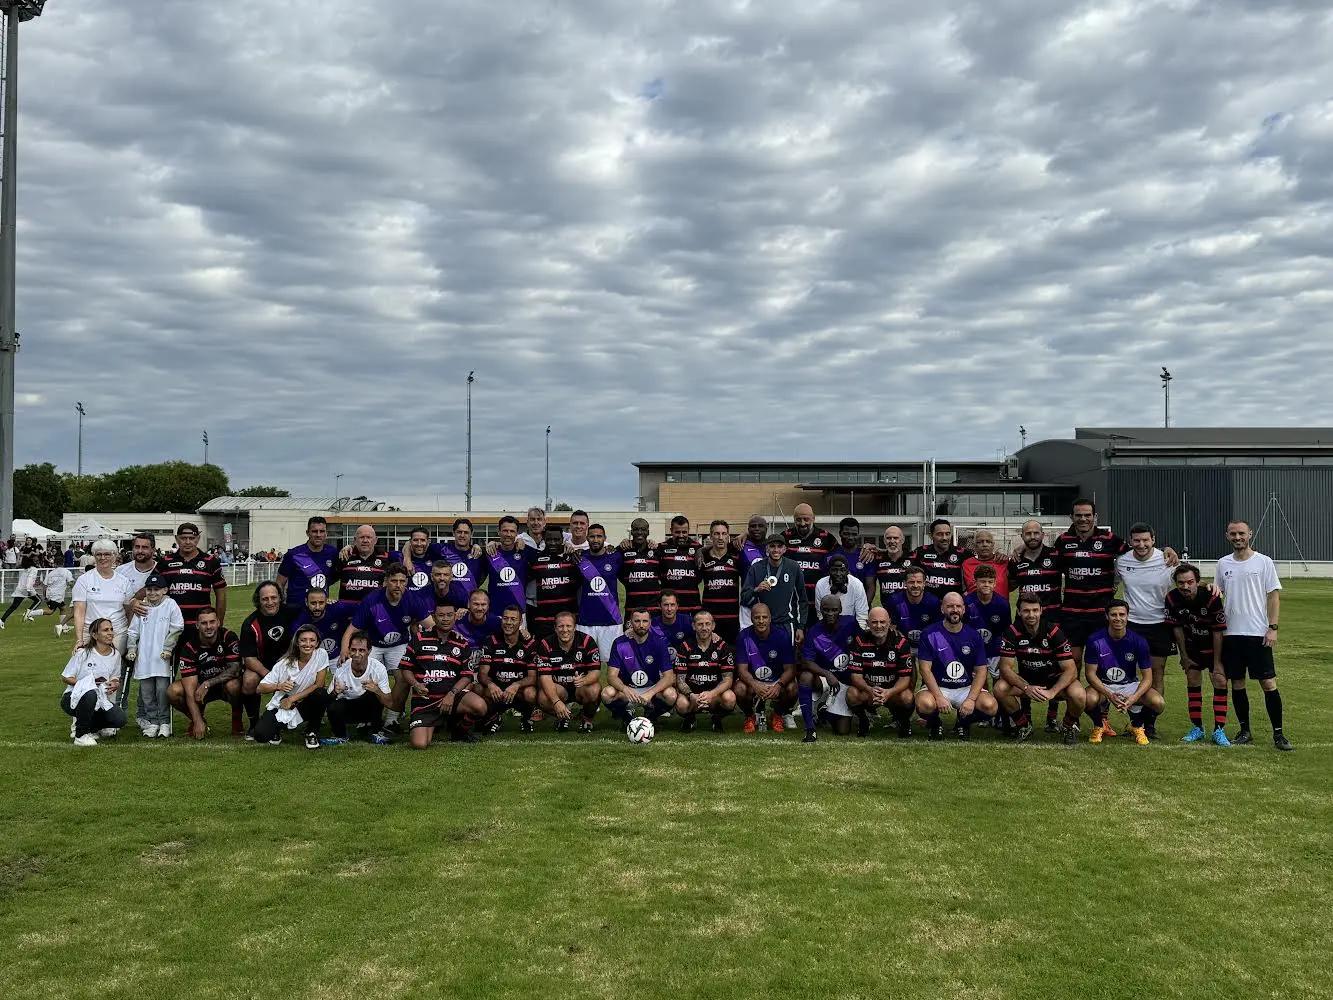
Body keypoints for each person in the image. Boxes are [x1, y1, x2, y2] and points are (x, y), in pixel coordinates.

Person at [1214, 520, 1290, 751]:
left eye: (1242, 533)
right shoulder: (1222, 563)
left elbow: (1273, 596)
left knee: (1268, 683)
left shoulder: (1263, 562)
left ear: (1250, 534)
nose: (1238, 537)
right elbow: (1218, 593)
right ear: (1227, 535)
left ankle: (1279, 734)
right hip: (1231, 634)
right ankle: (1244, 730)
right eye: (1233, 534)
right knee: (1237, 683)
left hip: (1258, 633)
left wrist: (1272, 627)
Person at [994, 592, 1086, 745]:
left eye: (1035, 610)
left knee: (1079, 695)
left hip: (1054, 680)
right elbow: (1005, 668)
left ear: (1041, 610)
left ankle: (1068, 726)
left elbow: (1071, 670)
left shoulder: (1053, 631)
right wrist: (1026, 687)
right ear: (1018, 612)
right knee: (999, 688)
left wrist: (1053, 692)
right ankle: (1024, 725)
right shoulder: (1012, 631)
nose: (1031, 615)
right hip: (1027, 681)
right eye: (1026, 611)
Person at [1115, 522, 1175, 737]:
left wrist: (1210, 586)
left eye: (1145, 540)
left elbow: (1188, 581)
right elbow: (1112, 585)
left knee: (1156, 674)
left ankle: (1149, 725)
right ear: (1130, 541)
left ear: (1153, 540)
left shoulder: (1168, 560)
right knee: (1130, 676)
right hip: (1131, 626)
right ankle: (1135, 722)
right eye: (1136, 540)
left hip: (1159, 625)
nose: (1141, 544)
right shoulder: (1122, 562)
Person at [916, 593, 996, 740]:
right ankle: (935, 724)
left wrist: (971, 699)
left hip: (965, 688)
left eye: (958, 606)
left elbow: (981, 670)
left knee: (990, 706)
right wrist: (939, 697)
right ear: (942, 609)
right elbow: (925, 669)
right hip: (938, 686)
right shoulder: (929, 633)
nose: (955, 609)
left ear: (964, 610)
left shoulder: (973, 636)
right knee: (924, 704)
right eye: (950, 606)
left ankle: (963, 722)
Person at [1165, 563, 1230, 746]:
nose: (1185, 586)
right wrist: (1184, 656)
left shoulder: (1211, 596)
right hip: (1191, 646)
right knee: (1193, 681)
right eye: (1181, 583)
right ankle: (1197, 728)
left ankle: (1219, 730)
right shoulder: (1171, 598)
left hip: (1213, 647)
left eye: (1189, 582)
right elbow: (1177, 629)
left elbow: (1218, 632)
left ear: (1197, 582)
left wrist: (1217, 663)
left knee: (1219, 680)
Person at [1083, 600, 1161, 746]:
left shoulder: (1139, 641)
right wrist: (1109, 695)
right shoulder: (1095, 640)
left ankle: (1136, 726)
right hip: (1103, 685)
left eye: (1121, 614)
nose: (1118, 618)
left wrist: (1134, 697)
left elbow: (1148, 677)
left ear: (1127, 616)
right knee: (1086, 699)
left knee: (1158, 702)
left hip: (1129, 684)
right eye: (1113, 614)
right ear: (1107, 616)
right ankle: (1100, 725)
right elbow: (1090, 674)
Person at [252, 625, 332, 749]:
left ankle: (311, 732)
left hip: (304, 702)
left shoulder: (321, 655)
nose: (308, 644)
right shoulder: (283, 664)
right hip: (282, 704)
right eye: (303, 640)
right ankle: (276, 730)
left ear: (317, 643)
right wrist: (279, 686)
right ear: (297, 643)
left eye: (312, 640)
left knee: (321, 694)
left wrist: (292, 699)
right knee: (261, 735)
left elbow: (319, 684)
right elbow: (259, 688)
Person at [168, 606, 241, 740]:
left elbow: (235, 670)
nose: (208, 626)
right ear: (197, 625)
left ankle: (237, 718)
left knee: (234, 685)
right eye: (204, 623)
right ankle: (198, 718)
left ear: (218, 622)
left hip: (223, 685)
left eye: (212, 622)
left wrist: (208, 683)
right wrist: (197, 721)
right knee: (173, 691)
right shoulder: (189, 647)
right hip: (199, 689)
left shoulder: (228, 636)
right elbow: (190, 691)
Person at [125, 573, 184, 738]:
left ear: (165, 590)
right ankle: (152, 722)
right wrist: (131, 649)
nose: (152, 593)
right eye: (149, 589)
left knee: (161, 691)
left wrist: (168, 647)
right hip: (144, 659)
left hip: (162, 659)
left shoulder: (171, 605)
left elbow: (177, 627)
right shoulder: (142, 607)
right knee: (147, 693)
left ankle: (165, 722)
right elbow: (133, 631)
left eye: (156, 589)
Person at [238, 581, 300, 737]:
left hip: (290, 664)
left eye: (274, 597)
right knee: (249, 680)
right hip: (262, 666)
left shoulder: (292, 611)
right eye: (265, 599)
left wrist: (329, 603)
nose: (270, 602)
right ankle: (253, 723)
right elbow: (249, 658)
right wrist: (271, 677)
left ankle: (299, 718)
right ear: (258, 600)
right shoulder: (250, 624)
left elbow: (315, 608)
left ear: (280, 597)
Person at [845, 607, 916, 737]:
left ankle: (903, 721)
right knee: (852, 693)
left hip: (892, 691)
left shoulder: (900, 642)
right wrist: (869, 689)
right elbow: (855, 676)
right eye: (874, 622)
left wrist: (889, 692)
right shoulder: (859, 641)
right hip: (870, 691)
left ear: (889, 623)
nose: (879, 626)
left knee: (907, 696)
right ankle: (863, 720)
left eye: (882, 622)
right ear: (867, 623)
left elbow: (905, 678)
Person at [154, 522, 227, 647]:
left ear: (198, 539)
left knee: (201, 664)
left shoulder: (211, 562)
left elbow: (221, 596)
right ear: (177, 539)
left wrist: (218, 624)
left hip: (200, 627)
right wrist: (135, 600)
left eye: (192, 538)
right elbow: (151, 589)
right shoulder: (165, 562)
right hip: (170, 626)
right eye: (183, 538)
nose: (187, 542)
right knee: (169, 664)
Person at [602, 608, 677, 731]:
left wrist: (650, 693)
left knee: (671, 695)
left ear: (650, 623)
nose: (641, 625)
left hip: (651, 690)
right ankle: (627, 719)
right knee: (607, 694)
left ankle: (651, 718)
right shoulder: (620, 643)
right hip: (628, 690)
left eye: (645, 621)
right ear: (630, 623)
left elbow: (669, 677)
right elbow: (611, 676)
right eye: (637, 621)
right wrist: (625, 689)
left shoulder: (659, 643)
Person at [799, 594, 858, 739]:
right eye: (826, 610)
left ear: (840, 610)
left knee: (843, 730)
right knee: (805, 677)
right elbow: (807, 661)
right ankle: (809, 728)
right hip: (824, 679)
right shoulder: (814, 631)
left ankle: (824, 712)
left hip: (845, 681)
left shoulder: (850, 623)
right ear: (820, 610)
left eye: (834, 610)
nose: (830, 614)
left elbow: (865, 642)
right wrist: (827, 674)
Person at [60, 618, 126, 746]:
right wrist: (86, 685)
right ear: (95, 635)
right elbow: (66, 677)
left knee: (120, 719)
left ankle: (92, 728)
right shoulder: (82, 653)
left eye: (111, 629)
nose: (110, 633)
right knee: (90, 694)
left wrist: (114, 683)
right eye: (105, 630)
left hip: (101, 700)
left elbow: (115, 677)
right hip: (73, 698)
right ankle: (80, 735)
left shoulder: (115, 655)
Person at [534, 611, 602, 733]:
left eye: (569, 626)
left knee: (594, 689)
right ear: (555, 628)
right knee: (543, 698)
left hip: (580, 688)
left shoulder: (587, 641)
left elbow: (596, 672)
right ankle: (563, 717)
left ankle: (586, 719)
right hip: (559, 689)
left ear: (575, 627)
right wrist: (556, 702)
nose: (565, 630)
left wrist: (584, 680)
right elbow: (545, 678)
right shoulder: (545, 644)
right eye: (560, 626)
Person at [70, 539, 135, 663]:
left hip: (117, 634)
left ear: (114, 556)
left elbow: (129, 612)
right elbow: (79, 612)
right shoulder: (84, 580)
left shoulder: (123, 581)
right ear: (94, 556)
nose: (102, 558)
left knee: (112, 672)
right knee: (88, 670)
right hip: (90, 633)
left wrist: (131, 637)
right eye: (98, 554)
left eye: (107, 554)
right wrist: (80, 639)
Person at [734, 602, 796, 733]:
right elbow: (741, 670)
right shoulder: (743, 636)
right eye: (757, 617)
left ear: (770, 618)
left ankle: (777, 714)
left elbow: (790, 669)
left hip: (776, 681)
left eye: (764, 617)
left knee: (793, 688)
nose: (761, 621)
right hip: (753, 681)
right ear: (751, 619)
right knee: (739, 688)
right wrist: (755, 684)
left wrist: (779, 685)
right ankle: (750, 716)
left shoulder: (782, 635)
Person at [672, 610, 736, 733]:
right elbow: (679, 679)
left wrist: (711, 694)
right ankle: (690, 719)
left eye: (707, 624)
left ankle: (716, 718)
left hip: (714, 695)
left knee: (730, 698)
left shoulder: (722, 646)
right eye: (700, 624)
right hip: (692, 695)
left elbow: (728, 679)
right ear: (693, 626)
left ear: (713, 626)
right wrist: (692, 695)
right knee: (681, 704)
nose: (704, 628)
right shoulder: (685, 646)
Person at [325, 631, 393, 743]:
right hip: (348, 710)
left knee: (374, 695)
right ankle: (340, 736)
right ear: (349, 650)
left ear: (369, 651)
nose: (356, 654)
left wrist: (377, 690)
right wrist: (335, 692)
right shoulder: (342, 670)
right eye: (353, 650)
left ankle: (375, 732)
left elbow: (390, 703)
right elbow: (327, 703)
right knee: (334, 705)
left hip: (368, 708)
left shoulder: (378, 668)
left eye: (361, 650)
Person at [478, 606, 537, 733]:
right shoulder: (491, 641)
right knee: (478, 689)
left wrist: (516, 685)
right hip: (498, 691)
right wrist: (491, 684)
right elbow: (482, 674)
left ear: (520, 622)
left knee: (530, 693)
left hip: (518, 691)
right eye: (505, 618)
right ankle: (494, 718)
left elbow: (533, 677)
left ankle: (526, 718)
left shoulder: (529, 644)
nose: (508, 622)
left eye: (513, 619)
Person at [740, 535, 808, 643]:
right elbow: (744, 598)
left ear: (784, 549)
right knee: (764, 658)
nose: (776, 550)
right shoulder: (756, 568)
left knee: (786, 658)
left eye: (779, 546)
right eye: (772, 546)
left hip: (786, 623)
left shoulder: (793, 567)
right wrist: (756, 590)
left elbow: (802, 599)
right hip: (762, 624)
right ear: (766, 549)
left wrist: (800, 626)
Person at [574, 523, 623, 663]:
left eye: (599, 536)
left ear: (605, 538)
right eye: (592, 536)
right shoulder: (579, 558)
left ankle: (611, 686)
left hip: (611, 621)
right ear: (587, 538)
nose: (595, 540)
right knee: (583, 664)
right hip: (585, 621)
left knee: (614, 665)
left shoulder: (615, 557)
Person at [781, 503, 836, 625]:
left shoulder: (827, 538)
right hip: (792, 603)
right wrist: (745, 534)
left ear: (813, 518)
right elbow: (767, 548)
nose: (802, 523)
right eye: (798, 520)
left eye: (806, 519)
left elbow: (841, 557)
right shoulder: (784, 537)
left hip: (818, 602)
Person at [528, 523, 581, 640]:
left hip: (568, 621)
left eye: (556, 539)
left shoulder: (572, 558)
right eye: (549, 539)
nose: (552, 543)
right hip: (543, 621)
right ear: (543, 539)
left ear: (563, 540)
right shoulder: (535, 559)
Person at [276, 516, 340, 608]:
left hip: (319, 610)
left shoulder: (332, 553)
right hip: (295, 609)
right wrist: (280, 605)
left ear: (326, 533)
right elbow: (280, 582)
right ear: (307, 533)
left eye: (322, 531)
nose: (318, 535)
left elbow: (335, 575)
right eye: (314, 531)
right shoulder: (293, 554)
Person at [963, 564, 1011, 685]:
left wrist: (1004, 653)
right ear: (975, 582)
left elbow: (1006, 630)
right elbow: (962, 630)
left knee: (999, 683)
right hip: (974, 650)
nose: (986, 585)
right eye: (983, 581)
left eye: (990, 582)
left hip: (995, 650)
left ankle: (999, 704)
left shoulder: (1002, 604)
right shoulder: (967, 602)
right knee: (979, 684)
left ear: (995, 583)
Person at [699, 519, 744, 643]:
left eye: (724, 534)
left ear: (728, 536)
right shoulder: (703, 557)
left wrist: (744, 534)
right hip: (710, 621)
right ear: (710, 536)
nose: (720, 537)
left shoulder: (736, 556)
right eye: (716, 534)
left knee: (731, 656)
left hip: (732, 619)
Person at [1008, 520, 1062, 616]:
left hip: (1052, 618)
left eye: (1036, 533)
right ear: (1022, 536)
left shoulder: (1056, 555)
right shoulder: (1016, 560)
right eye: (1028, 534)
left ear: (1042, 535)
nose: (1032, 537)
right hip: (1026, 618)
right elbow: (1009, 587)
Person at [909, 518, 973, 600]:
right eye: (940, 534)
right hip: (927, 603)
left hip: (953, 604)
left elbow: (979, 564)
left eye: (947, 534)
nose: (944, 538)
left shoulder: (963, 554)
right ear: (931, 535)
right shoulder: (920, 552)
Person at [430, 517, 488, 607]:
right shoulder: (441, 549)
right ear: (454, 533)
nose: (462, 535)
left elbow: (483, 576)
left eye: (466, 532)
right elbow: (412, 545)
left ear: (471, 534)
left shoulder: (479, 554)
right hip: (445, 608)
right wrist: (407, 559)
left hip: (469, 609)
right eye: (459, 532)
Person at [291, 587, 354, 665]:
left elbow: (363, 611)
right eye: (313, 603)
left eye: (321, 603)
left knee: (344, 673)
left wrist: (347, 646)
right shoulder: (301, 622)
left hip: (337, 655)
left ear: (326, 601)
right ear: (306, 602)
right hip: (313, 657)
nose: (317, 607)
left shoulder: (338, 608)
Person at [333, 525, 391, 607]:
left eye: (369, 537)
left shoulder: (386, 558)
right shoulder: (345, 556)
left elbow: (409, 546)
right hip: (348, 614)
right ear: (355, 540)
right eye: (361, 537)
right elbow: (327, 580)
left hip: (374, 613)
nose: (365, 540)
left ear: (375, 540)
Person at [484, 516, 529, 618]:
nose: (508, 534)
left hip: (519, 613)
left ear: (517, 534)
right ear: (499, 531)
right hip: (495, 612)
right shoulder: (490, 553)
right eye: (505, 530)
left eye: (512, 531)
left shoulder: (525, 552)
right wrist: (477, 546)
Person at [657, 515, 702, 617]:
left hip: (692, 606)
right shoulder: (661, 548)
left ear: (688, 530)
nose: (681, 535)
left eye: (684, 532)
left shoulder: (698, 548)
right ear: (671, 530)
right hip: (669, 608)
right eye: (677, 532)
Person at [885, 566, 942, 646]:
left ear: (924, 583)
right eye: (911, 582)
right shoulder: (894, 601)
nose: (915, 585)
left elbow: (937, 631)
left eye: (919, 582)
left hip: (926, 646)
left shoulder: (933, 602)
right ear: (905, 583)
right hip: (902, 646)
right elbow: (890, 629)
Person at [618, 517, 662, 616]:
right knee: (630, 632)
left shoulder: (656, 550)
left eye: (643, 529)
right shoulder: (623, 549)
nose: (639, 532)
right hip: (632, 608)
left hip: (654, 608)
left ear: (648, 532)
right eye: (636, 529)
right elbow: (618, 573)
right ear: (632, 531)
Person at [813, 553, 869, 628]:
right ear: (829, 571)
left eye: (842, 570)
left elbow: (862, 616)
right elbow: (820, 615)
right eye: (834, 570)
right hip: (827, 627)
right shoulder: (821, 585)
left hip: (850, 627)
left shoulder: (857, 585)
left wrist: (857, 634)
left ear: (847, 571)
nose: (838, 574)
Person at [868, 526, 913, 604]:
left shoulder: (914, 557)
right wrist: (867, 546)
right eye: (889, 538)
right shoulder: (877, 559)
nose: (892, 541)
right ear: (884, 541)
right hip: (887, 609)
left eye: (895, 538)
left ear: (902, 540)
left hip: (909, 608)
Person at [28, 559, 74, 634]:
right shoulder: (67, 572)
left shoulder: (51, 573)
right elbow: (70, 583)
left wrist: (44, 596)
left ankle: (64, 627)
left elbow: (45, 586)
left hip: (51, 594)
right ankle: (30, 613)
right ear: (63, 563)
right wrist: (75, 588)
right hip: (57, 595)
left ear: (55, 564)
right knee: (50, 611)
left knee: (63, 608)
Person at [833, 517, 876, 593]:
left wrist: (864, 604)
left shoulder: (866, 556)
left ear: (858, 535)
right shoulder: (831, 556)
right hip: (836, 602)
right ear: (840, 533)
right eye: (846, 534)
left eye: (854, 534)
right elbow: (826, 584)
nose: (850, 537)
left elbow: (870, 587)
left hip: (860, 602)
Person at [963, 529, 1011, 597]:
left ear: (993, 545)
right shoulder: (966, 564)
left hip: (1000, 607)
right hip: (975, 607)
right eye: (980, 542)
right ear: (974, 545)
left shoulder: (1004, 561)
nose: (984, 544)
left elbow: (1013, 585)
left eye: (988, 542)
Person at [0, 554, 42, 625]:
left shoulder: (26, 569)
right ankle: (28, 614)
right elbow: (29, 579)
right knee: (39, 600)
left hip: (20, 589)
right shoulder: (34, 569)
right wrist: (29, 590)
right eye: (36, 559)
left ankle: (2, 620)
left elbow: (25, 580)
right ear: (33, 561)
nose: (37, 560)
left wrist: (32, 585)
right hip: (26, 589)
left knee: (14, 606)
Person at [397, 527, 436, 595]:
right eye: (415, 540)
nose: (419, 544)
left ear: (428, 541)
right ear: (410, 541)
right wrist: (407, 558)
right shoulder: (398, 558)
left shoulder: (435, 558)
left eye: (422, 540)